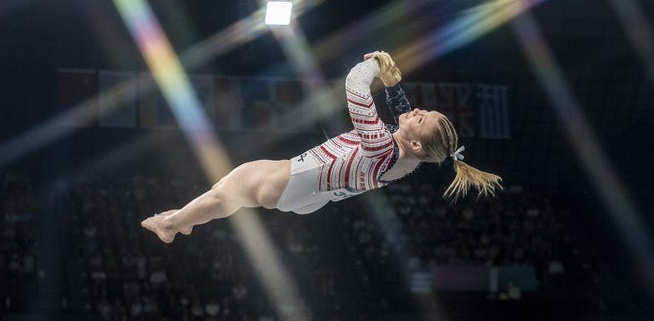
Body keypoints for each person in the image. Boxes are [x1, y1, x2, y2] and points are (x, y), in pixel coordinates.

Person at [141, 51, 501, 243]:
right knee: (227, 195)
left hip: (294, 180)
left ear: (418, 141)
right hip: (312, 195)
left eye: (423, 117)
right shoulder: (407, 156)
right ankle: (185, 220)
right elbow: (404, 116)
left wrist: (375, 65)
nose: (417, 110)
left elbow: (355, 89)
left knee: (227, 191)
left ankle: (171, 223)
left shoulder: (380, 148)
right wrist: (393, 86)